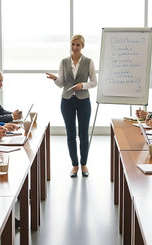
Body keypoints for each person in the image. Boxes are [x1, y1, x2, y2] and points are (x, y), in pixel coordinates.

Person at [46, 34, 97, 177]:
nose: (75, 47)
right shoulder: (64, 62)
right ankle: (74, 165)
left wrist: (82, 85)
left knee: (83, 134)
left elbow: (94, 82)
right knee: (70, 134)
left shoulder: (88, 62)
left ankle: (84, 164)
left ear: (82, 46)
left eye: (78, 45)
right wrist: (55, 79)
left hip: (83, 100)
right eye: (73, 44)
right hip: (67, 100)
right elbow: (61, 83)